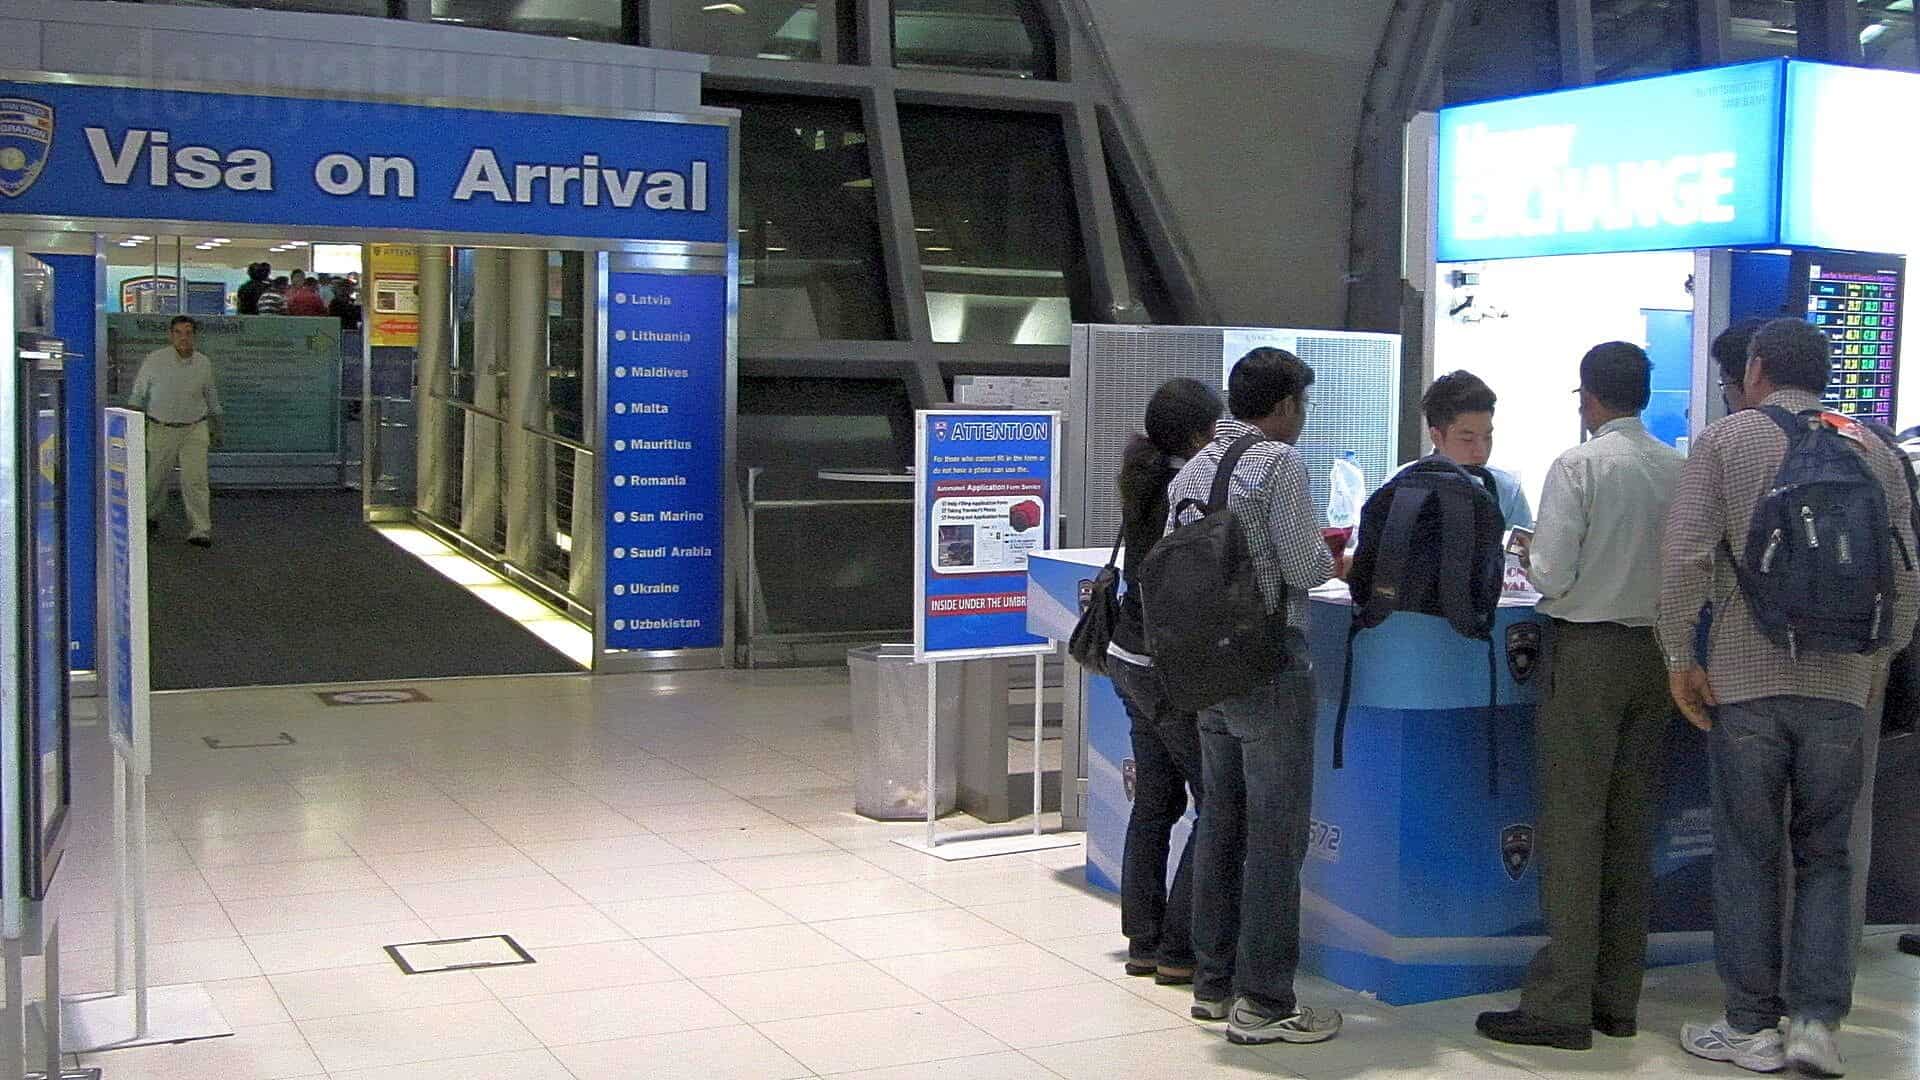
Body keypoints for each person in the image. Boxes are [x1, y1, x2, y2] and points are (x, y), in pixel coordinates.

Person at [1661, 318, 1920, 1077]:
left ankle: (1750, 1026)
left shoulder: (1728, 440)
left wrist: (1681, 655)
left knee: (1747, 853)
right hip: (1844, 685)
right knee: (1830, 856)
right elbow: (1906, 579)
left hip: (1747, 679)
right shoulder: (1874, 448)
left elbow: (1683, 558)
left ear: (1758, 367)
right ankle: (1816, 1025)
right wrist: (1878, 660)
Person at [1476, 342, 1685, 1051]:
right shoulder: (1676, 467)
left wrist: (1524, 551)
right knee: (1630, 829)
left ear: (1588, 399)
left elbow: (1555, 576)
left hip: (1589, 654)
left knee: (1572, 828)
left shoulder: (1579, 466)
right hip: (1657, 655)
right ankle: (1615, 998)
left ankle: (1562, 1002)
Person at [1168, 347, 1341, 1046]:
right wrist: (1336, 558)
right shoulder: (1281, 464)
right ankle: (1266, 1001)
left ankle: (1214, 984)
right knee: (1276, 837)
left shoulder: (1194, 466)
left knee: (1221, 822)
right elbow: (1305, 565)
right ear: (1286, 405)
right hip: (1267, 667)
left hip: (1206, 669)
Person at [1111, 377, 1222, 988]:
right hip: (1170, 670)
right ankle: (1182, 946)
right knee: (1217, 804)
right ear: (1204, 433)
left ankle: (1144, 942)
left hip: (1128, 656)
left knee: (1154, 805)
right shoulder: (1194, 489)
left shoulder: (1145, 478)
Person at [129, 315, 222, 547]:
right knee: (155, 479)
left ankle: (201, 529)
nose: (184, 338)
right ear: (171, 335)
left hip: (195, 427)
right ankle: (149, 518)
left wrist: (217, 426)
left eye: (188, 332)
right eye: (178, 332)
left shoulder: (203, 363)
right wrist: (131, 424)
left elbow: (211, 396)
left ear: (195, 336)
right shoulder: (155, 360)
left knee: (195, 480)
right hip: (162, 427)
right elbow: (138, 393)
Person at [1421, 370, 1533, 528]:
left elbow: (1522, 549)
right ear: (1436, 437)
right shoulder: (1401, 485)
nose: (1481, 452)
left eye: (1487, 437)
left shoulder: (1507, 490)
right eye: (1467, 439)